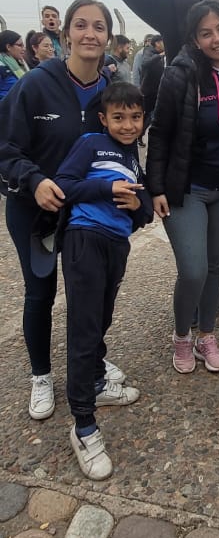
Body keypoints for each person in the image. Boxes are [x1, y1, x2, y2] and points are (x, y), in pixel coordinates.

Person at [0, 0, 134, 420]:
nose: (90, 34)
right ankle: (42, 375)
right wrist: (34, 180)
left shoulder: (107, 90)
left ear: (108, 37)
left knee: (90, 294)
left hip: (85, 214)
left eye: (98, 26)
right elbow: (6, 147)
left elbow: (123, 143)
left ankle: (91, 367)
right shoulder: (35, 83)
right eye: (81, 25)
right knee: (41, 293)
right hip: (34, 208)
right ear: (65, 35)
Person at [147, 1, 219, 375]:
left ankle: (207, 335)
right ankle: (181, 336)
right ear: (194, 38)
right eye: (206, 33)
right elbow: (159, 133)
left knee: (215, 266)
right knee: (192, 269)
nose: (217, 38)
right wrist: (156, 186)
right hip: (187, 187)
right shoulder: (181, 75)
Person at [52, 82, 153, 479]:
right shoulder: (91, 144)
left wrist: (137, 204)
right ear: (103, 118)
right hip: (85, 240)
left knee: (102, 320)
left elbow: (143, 211)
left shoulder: (133, 158)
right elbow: (64, 184)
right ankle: (83, 425)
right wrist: (106, 187)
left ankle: (96, 381)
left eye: (135, 117)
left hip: (116, 246)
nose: (128, 125)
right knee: (84, 328)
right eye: (119, 117)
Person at [140, 35, 165, 131]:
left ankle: (140, 134)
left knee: (154, 114)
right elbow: (145, 63)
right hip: (148, 91)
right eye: (163, 42)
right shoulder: (148, 51)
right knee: (147, 114)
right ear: (157, 43)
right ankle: (139, 134)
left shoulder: (160, 54)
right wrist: (159, 56)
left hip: (157, 90)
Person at [0, 32, 28, 101]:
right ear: (8, 47)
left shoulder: (20, 65)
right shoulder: (1, 67)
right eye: (20, 45)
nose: (23, 49)